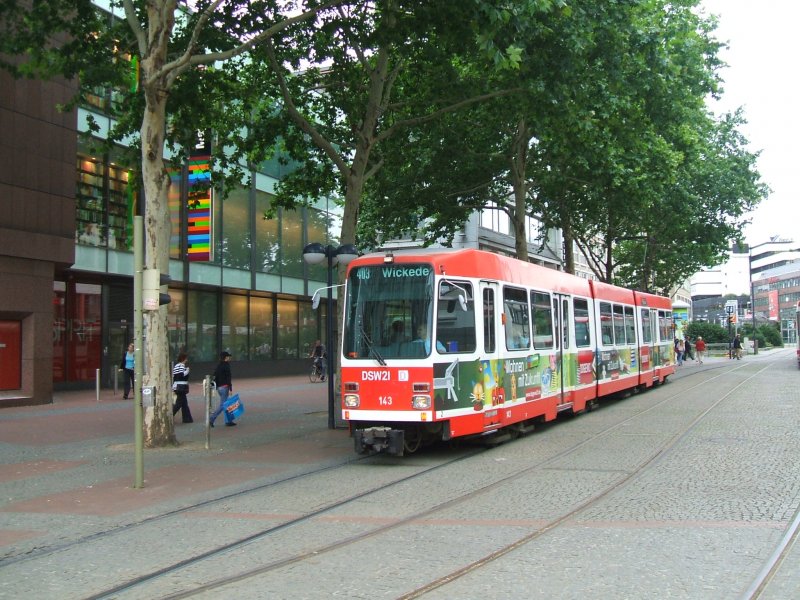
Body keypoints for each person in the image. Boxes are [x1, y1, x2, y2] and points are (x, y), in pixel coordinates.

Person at [209, 351, 235, 427]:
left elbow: (214, 376)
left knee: (226, 404)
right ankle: (211, 419)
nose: (229, 358)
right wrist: (230, 388)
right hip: (225, 387)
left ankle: (229, 421)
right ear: (226, 357)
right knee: (223, 405)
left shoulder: (219, 366)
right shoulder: (226, 366)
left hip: (219, 388)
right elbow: (228, 378)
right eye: (228, 356)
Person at [172, 352, 193, 424]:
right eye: (186, 358)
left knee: (184, 403)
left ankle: (187, 418)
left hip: (177, 386)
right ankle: (170, 415)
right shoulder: (181, 366)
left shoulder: (176, 366)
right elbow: (181, 375)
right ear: (183, 359)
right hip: (181, 387)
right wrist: (187, 371)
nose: (187, 360)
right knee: (179, 403)